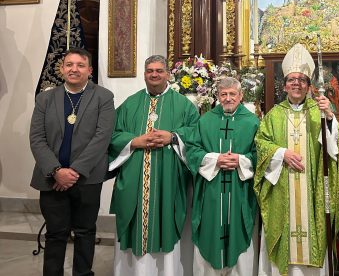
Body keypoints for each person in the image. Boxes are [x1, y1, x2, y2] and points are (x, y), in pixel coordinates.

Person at [254, 43, 339, 276]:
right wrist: (281, 153)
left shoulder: (319, 110)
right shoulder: (273, 115)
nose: (296, 83)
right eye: (291, 80)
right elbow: (261, 143)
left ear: (309, 85)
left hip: (313, 193)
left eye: (301, 80)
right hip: (282, 192)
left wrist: (329, 117)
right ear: (284, 85)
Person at [109, 55, 199, 275]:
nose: (154, 74)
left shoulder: (184, 105)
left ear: (168, 74)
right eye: (150, 70)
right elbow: (112, 134)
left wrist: (173, 137)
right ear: (144, 74)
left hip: (168, 179)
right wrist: (134, 141)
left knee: (166, 221)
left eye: (159, 70)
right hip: (135, 178)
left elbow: (197, 135)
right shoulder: (131, 103)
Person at [29, 47, 115, 276]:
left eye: (80, 65)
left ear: (90, 70)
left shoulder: (103, 97)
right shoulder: (45, 98)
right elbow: (37, 138)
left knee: (85, 231)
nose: (74, 69)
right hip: (51, 179)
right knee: (56, 233)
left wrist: (73, 172)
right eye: (69, 64)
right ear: (62, 68)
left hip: (87, 179)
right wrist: (56, 171)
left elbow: (102, 137)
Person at [186, 77, 260, 275]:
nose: (228, 98)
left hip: (239, 192)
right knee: (209, 235)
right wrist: (215, 160)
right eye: (223, 94)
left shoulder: (253, 122)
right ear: (217, 96)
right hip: (211, 192)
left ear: (241, 95)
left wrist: (241, 161)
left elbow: (261, 153)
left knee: (240, 239)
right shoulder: (205, 120)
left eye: (232, 94)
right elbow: (192, 151)